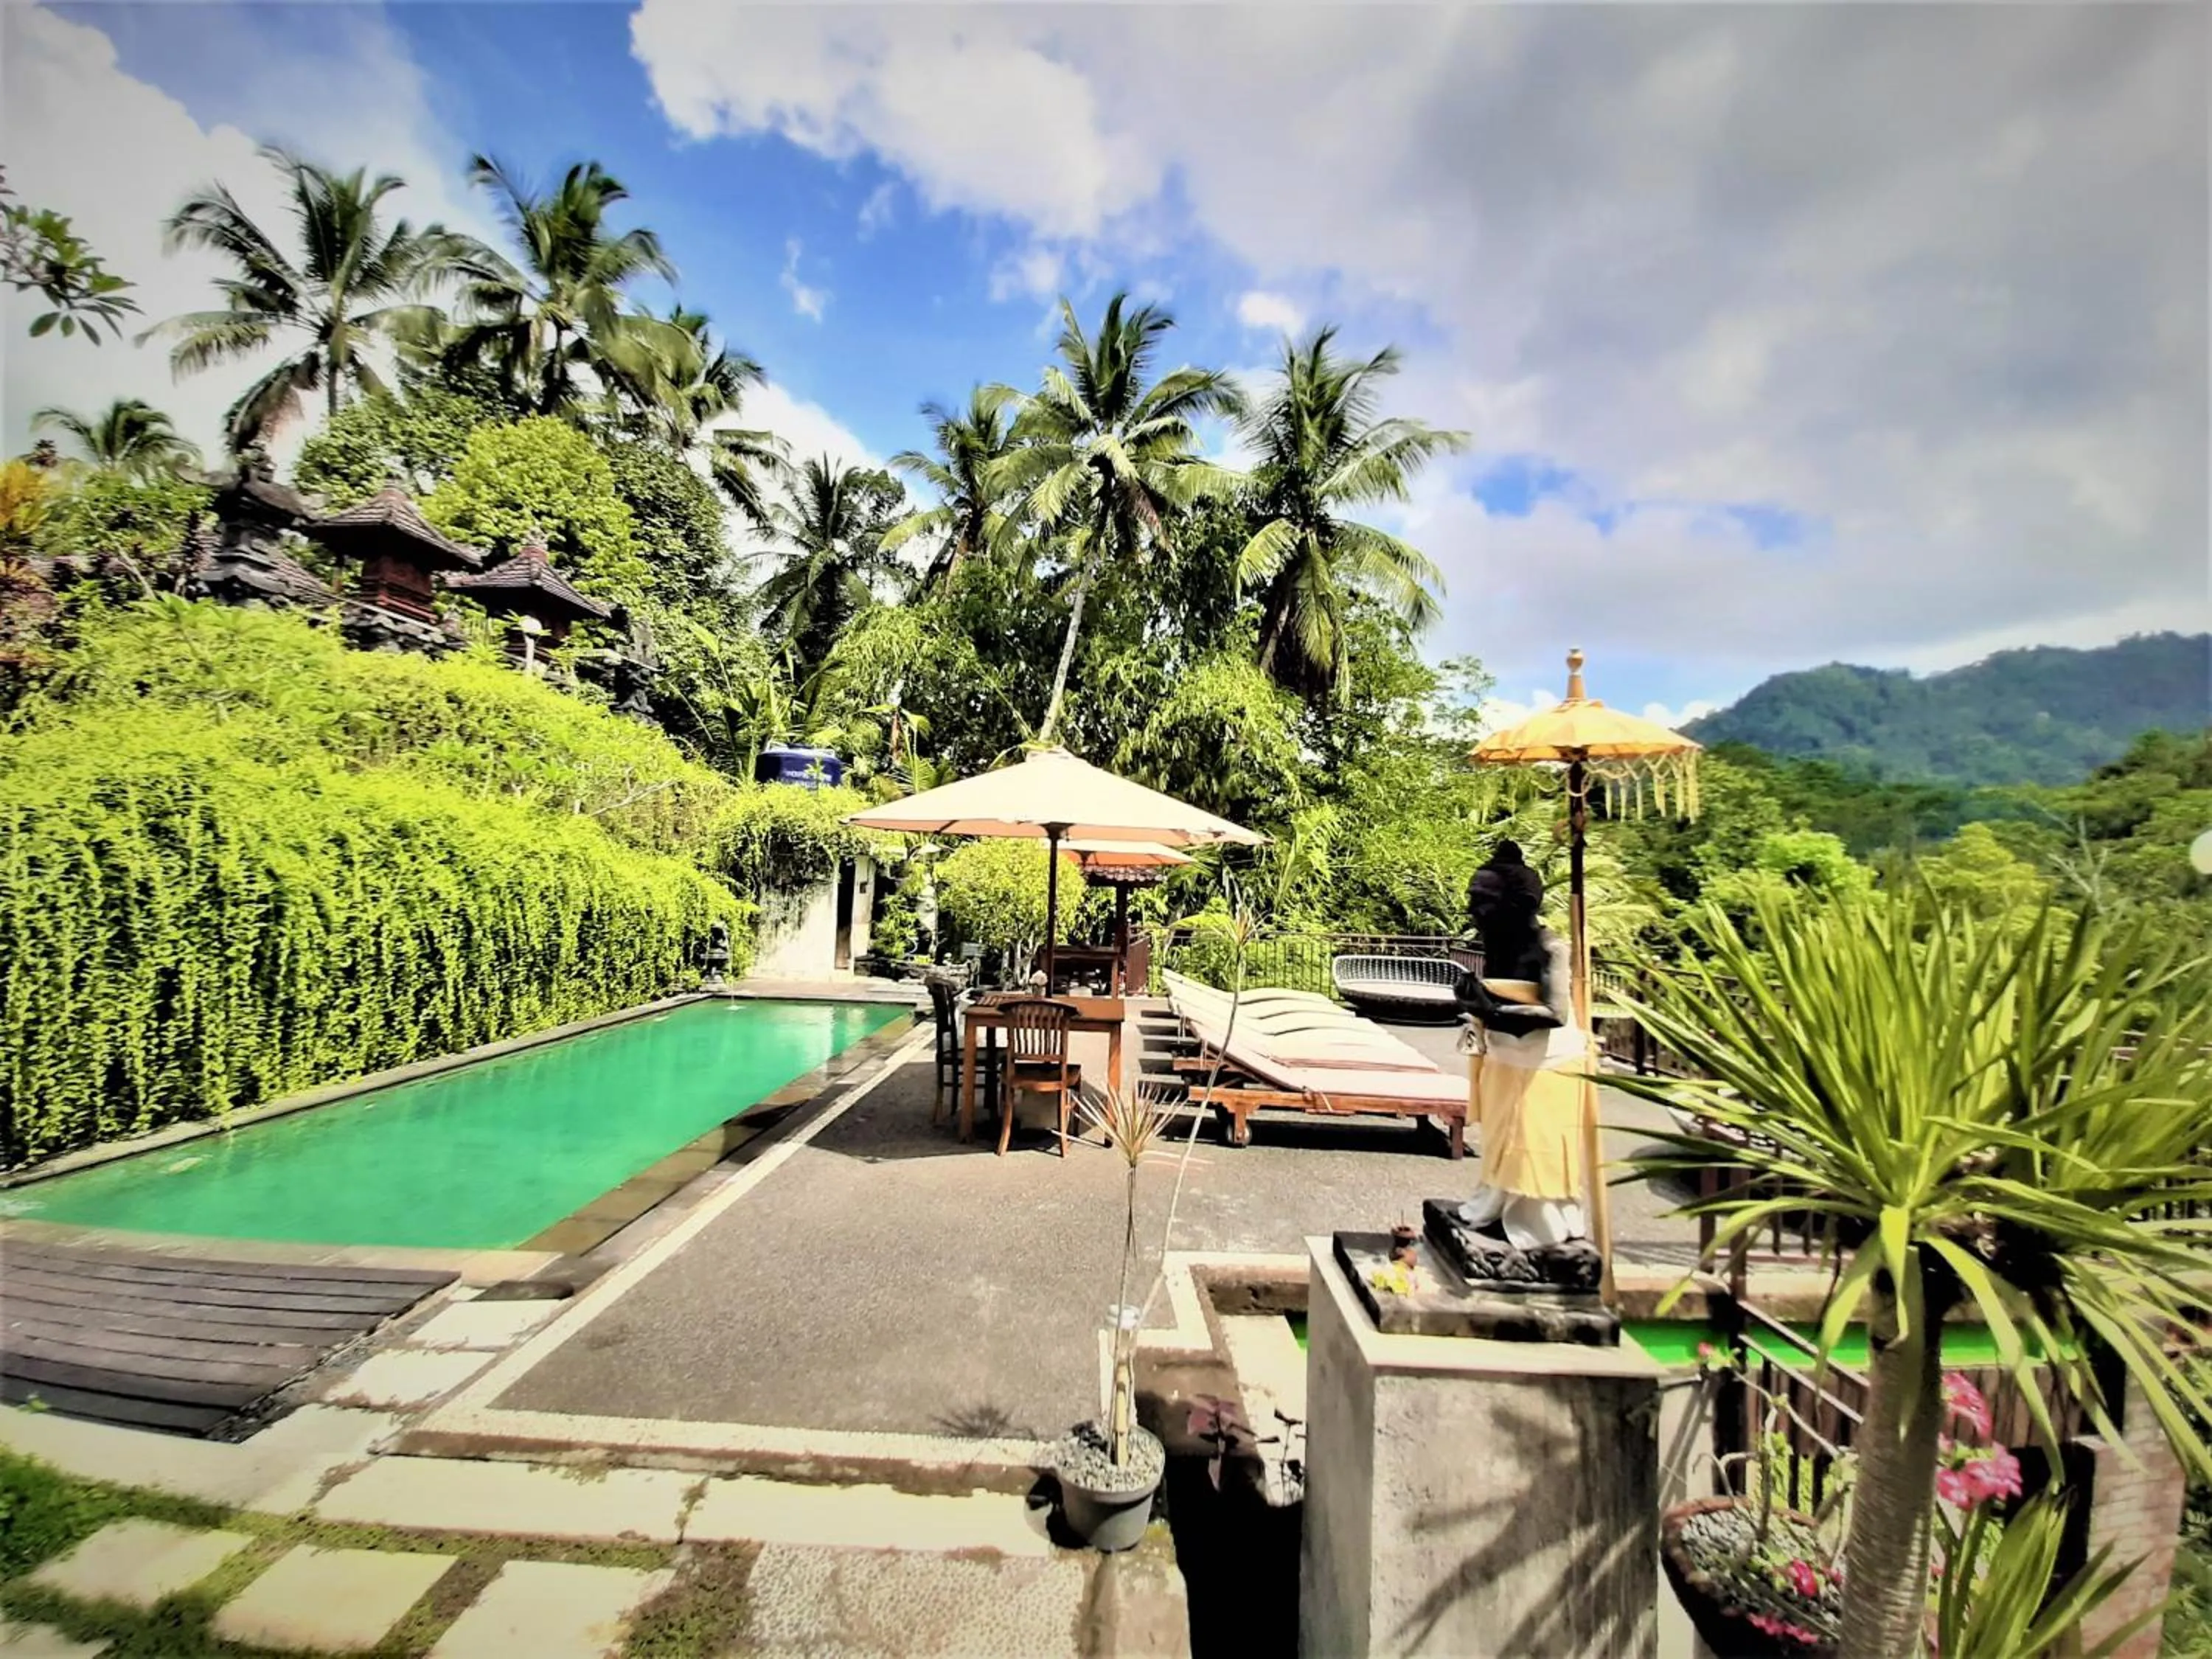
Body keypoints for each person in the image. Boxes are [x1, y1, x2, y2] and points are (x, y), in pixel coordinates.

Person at [1455, 841, 1589, 1253]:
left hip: (1544, 1063)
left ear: (1520, 904)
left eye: (1483, 901)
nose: (1472, 910)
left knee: (1535, 1144)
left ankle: (1541, 1224)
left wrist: (1488, 1010)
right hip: (1505, 1057)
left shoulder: (1550, 948)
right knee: (1502, 1140)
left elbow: (1555, 1013)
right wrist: (1475, 1003)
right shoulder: (1498, 944)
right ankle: (1494, 1207)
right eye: (1471, 899)